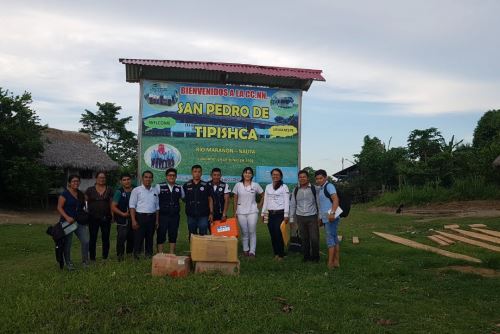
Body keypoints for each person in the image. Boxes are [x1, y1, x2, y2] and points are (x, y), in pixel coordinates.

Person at [57, 175, 89, 270]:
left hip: (79, 221)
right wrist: (67, 217)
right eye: (74, 181)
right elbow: (59, 207)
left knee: (86, 241)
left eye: (77, 181)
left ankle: (85, 262)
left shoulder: (80, 194)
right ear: (69, 183)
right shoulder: (65, 194)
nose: (76, 183)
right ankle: (68, 263)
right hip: (68, 223)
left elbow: (84, 207)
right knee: (68, 243)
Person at [290, 170, 320, 262]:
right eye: (300, 177)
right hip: (300, 217)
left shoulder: (315, 189)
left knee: (314, 238)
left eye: (304, 177)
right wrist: (291, 218)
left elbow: (318, 203)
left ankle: (315, 257)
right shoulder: (295, 190)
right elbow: (293, 204)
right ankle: (306, 256)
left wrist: (321, 217)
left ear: (307, 178)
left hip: (312, 216)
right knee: (304, 238)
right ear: (298, 178)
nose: (302, 178)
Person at [233, 167, 264, 258]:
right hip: (241, 212)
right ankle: (245, 250)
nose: (247, 174)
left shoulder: (255, 185)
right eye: (246, 173)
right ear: (243, 174)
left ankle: (252, 251)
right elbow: (235, 198)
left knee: (252, 231)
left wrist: (259, 205)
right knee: (244, 232)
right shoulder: (238, 185)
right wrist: (235, 211)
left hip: (252, 211)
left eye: (249, 173)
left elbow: (264, 195)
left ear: (252, 175)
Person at [129, 171, 159, 259]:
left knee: (150, 237)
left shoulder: (155, 191)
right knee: (139, 237)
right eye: (146, 177)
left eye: (150, 177)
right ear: (142, 178)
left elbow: (157, 207)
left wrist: (157, 221)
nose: (148, 179)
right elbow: (132, 206)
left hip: (152, 217)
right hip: (140, 217)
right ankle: (136, 255)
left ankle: (149, 255)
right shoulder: (136, 190)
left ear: (152, 179)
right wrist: (133, 220)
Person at [262, 168, 289, 260]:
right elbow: (266, 200)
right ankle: (276, 253)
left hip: (280, 214)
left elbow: (286, 201)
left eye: (277, 174)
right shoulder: (268, 187)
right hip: (270, 214)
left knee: (278, 234)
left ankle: (281, 254)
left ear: (280, 176)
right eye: (273, 174)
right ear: (271, 175)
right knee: (272, 234)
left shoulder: (284, 187)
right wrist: (263, 213)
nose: (275, 176)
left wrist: (286, 215)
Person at [315, 169, 340, 269]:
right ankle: (336, 261)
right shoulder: (321, 188)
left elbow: (335, 199)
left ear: (326, 178)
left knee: (330, 240)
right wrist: (321, 218)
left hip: (331, 217)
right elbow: (323, 205)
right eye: (317, 179)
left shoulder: (329, 186)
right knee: (334, 239)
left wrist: (332, 213)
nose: (319, 180)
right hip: (326, 218)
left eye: (321, 178)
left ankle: (330, 263)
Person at [85, 171, 113, 261]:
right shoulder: (90, 190)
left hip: (106, 217)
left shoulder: (109, 189)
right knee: (93, 237)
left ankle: (105, 257)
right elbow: (84, 202)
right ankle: (92, 258)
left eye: (104, 178)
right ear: (96, 179)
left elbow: (111, 203)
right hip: (92, 217)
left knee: (105, 237)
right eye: (100, 177)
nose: (102, 179)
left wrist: (113, 215)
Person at [156, 168, 184, 254]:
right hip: (163, 215)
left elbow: (183, 197)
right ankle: (160, 253)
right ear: (166, 176)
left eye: (173, 175)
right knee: (161, 233)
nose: (171, 177)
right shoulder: (159, 186)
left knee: (173, 233)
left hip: (175, 215)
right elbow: (155, 201)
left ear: (176, 177)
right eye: (170, 175)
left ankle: (172, 253)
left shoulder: (179, 187)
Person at [183, 165, 213, 237]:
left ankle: (202, 248)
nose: (197, 174)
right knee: (192, 234)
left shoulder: (206, 185)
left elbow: (210, 199)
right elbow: (183, 198)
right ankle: (193, 248)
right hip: (191, 215)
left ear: (201, 173)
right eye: (195, 172)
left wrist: (211, 213)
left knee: (203, 233)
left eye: (199, 172)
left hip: (203, 214)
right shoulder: (186, 185)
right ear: (192, 173)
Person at [111, 173, 134, 261]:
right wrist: (122, 214)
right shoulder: (119, 192)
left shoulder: (135, 190)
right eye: (124, 180)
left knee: (132, 237)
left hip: (134, 218)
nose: (127, 181)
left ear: (131, 180)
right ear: (121, 182)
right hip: (122, 219)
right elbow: (113, 206)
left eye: (128, 179)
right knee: (121, 238)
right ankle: (120, 256)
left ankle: (129, 254)